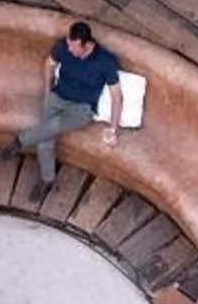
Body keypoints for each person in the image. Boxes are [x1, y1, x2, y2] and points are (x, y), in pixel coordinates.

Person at [14, 19, 123, 189]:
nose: (70, 50)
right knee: (44, 140)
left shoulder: (105, 61)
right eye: (69, 45)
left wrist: (113, 129)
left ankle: (19, 142)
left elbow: (117, 96)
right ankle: (47, 180)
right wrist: (48, 93)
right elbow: (48, 65)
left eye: (75, 47)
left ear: (86, 45)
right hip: (58, 97)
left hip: (82, 108)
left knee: (54, 125)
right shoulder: (63, 47)